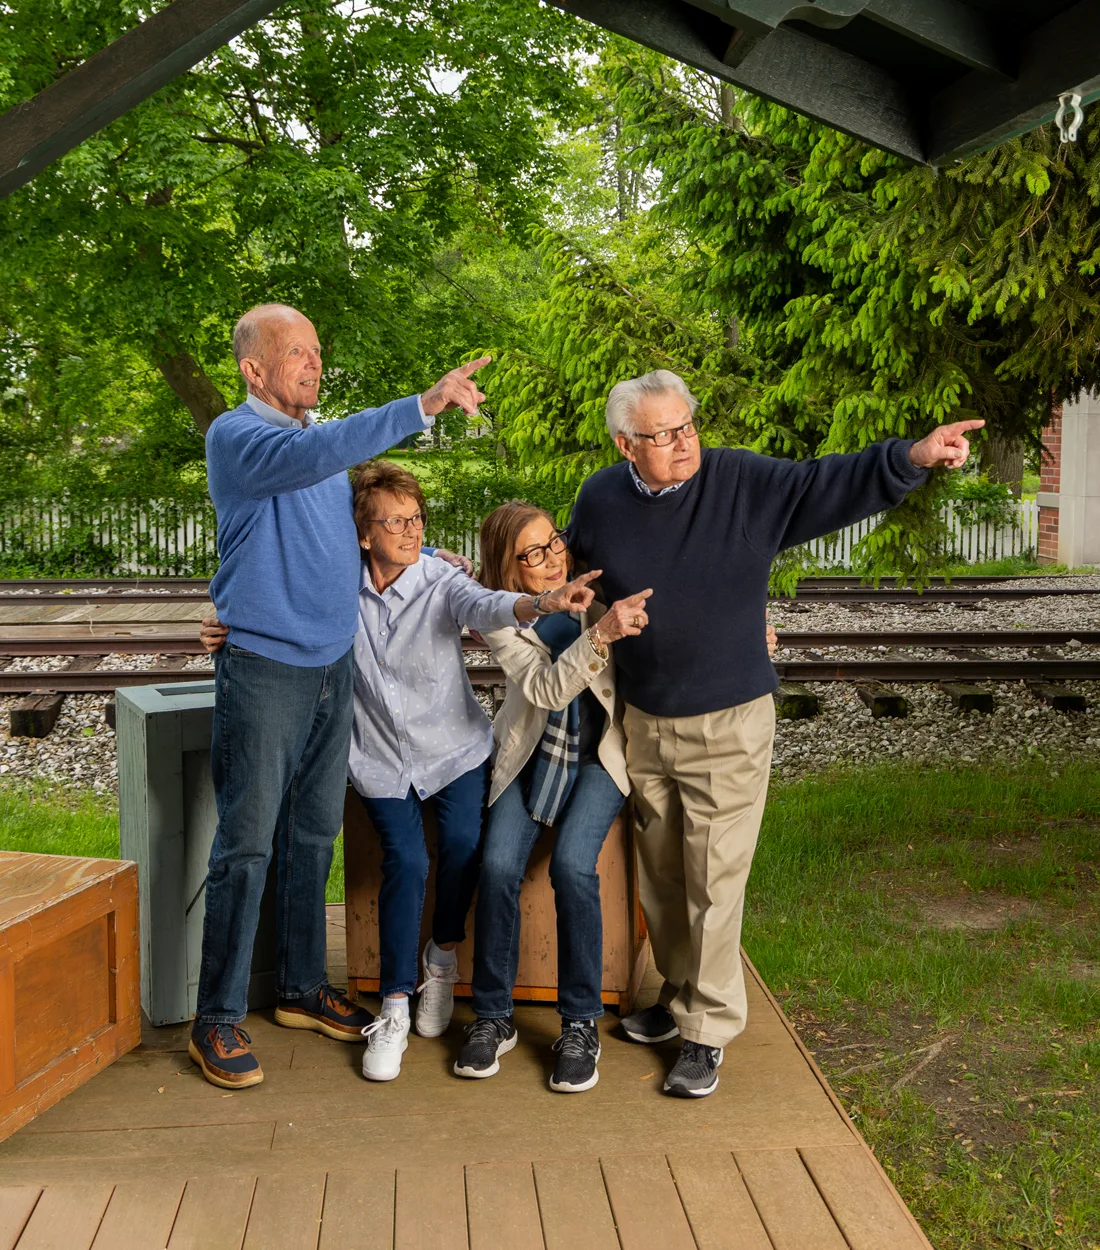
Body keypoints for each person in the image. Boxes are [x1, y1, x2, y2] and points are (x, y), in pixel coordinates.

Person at [567, 369, 982, 1098]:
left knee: (714, 880)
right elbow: (579, 577)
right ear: (625, 444)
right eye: (662, 435)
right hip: (645, 716)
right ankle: (677, 996)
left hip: (730, 718)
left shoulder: (741, 481)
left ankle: (708, 1030)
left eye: (687, 426)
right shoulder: (600, 497)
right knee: (662, 878)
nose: (682, 443)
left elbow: (829, 483)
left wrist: (910, 458)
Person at [189, 302, 489, 1092]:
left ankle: (297, 988)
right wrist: (420, 405)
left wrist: (429, 562)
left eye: (318, 352)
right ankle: (214, 1018)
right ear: (254, 370)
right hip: (264, 669)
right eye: (297, 353)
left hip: (333, 667)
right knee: (248, 843)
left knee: (314, 835)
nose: (314, 364)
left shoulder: (318, 456)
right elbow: (323, 451)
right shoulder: (240, 437)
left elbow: (352, 546)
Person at [345, 464, 599, 1082]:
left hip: (458, 750)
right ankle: (403, 1004)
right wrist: (225, 624)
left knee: (467, 845)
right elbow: (278, 587)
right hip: (381, 757)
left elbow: (484, 601)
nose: (409, 530)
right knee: (414, 860)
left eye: (417, 520)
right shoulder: (335, 584)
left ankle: (451, 956)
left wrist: (539, 602)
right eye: (395, 522)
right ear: (362, 534)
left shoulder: (442, 579)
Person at [451, 502, 650, 1093]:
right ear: (508, 569)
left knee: (571, 866)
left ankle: (580, 1023)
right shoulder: (502, 619)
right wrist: (601, 638)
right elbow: (543, 689)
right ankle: (492, 1016)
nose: (551, 558)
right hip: (534, 752)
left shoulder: (594, 578)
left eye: (553, 543)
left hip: (601, 754)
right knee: (496, 864)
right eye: (532, 554)